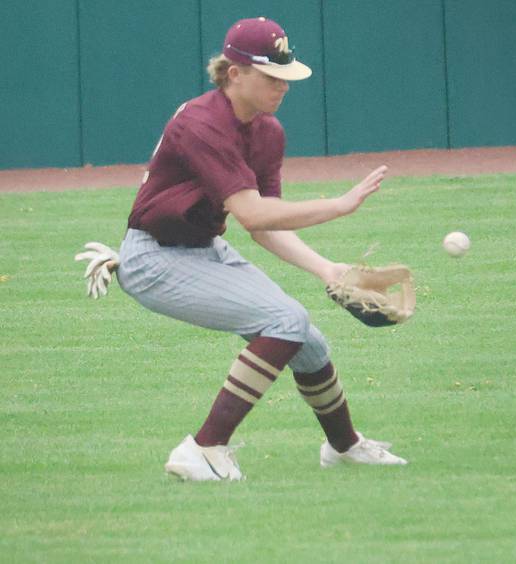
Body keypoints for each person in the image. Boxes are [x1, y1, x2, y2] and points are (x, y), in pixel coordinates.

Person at [111, 17, 407, 480]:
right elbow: (252, 214)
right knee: (285, 320)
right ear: (235, 74)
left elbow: (265, 225)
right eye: (272, 77)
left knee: (307, 341)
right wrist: (338, 205)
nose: (283, 87)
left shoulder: (268, 133)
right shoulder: (201, 122)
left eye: (286, 77)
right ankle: (204, 448)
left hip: (202, 247)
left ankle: (344, 447)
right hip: (154, 258)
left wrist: (326, 268)